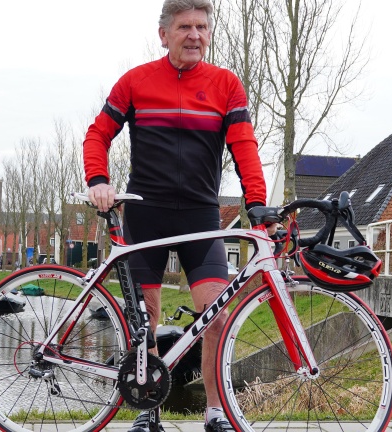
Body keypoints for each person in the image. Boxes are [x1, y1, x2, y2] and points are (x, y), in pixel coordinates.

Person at [83, 1, 267, 431]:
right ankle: (148, 411)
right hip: (147, 215)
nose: (194, 35)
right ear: (163, 33)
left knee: (217, 316)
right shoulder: (135, 82)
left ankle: (216, 411)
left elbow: (245, 148)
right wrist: (98, 179)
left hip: (201, 218)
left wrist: (256, 204)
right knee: (144, 318)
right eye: (184, 26)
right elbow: (98, 133)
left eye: (202, 26)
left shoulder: (226, 85)